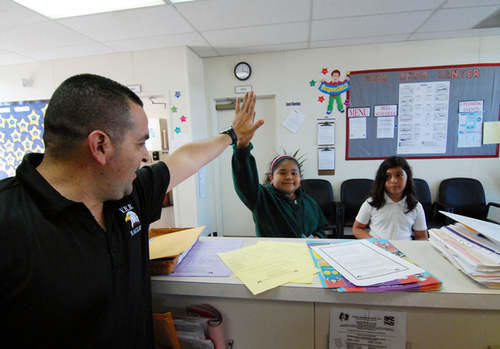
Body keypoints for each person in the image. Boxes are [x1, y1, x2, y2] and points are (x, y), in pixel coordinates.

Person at [0, 73, 263, 348]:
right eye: (140, 142)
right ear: (100, 146)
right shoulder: (9, 221)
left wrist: (232, 136)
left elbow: (185, 158)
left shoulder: (127, 193)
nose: (146, 155)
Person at [232, 140, 327, 238]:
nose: (289, 177)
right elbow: (245, 181)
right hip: (273, 252)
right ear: (271, 178)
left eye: (294, 173)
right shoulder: (262, 198)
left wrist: (319, 237)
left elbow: (320, 229)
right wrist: (242, 149)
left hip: (304, 252)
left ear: (300, 178)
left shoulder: (310, 203)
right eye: (282, 173)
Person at [352, 156, 428, 241]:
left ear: (407, 177)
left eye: (399, 175)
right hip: (377, 248)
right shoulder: (372, 203)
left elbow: (422, 237)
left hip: (405, 249)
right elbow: (357, 229)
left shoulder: (415, 206)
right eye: (388, 176)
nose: (393, 181)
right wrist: (375, 242)